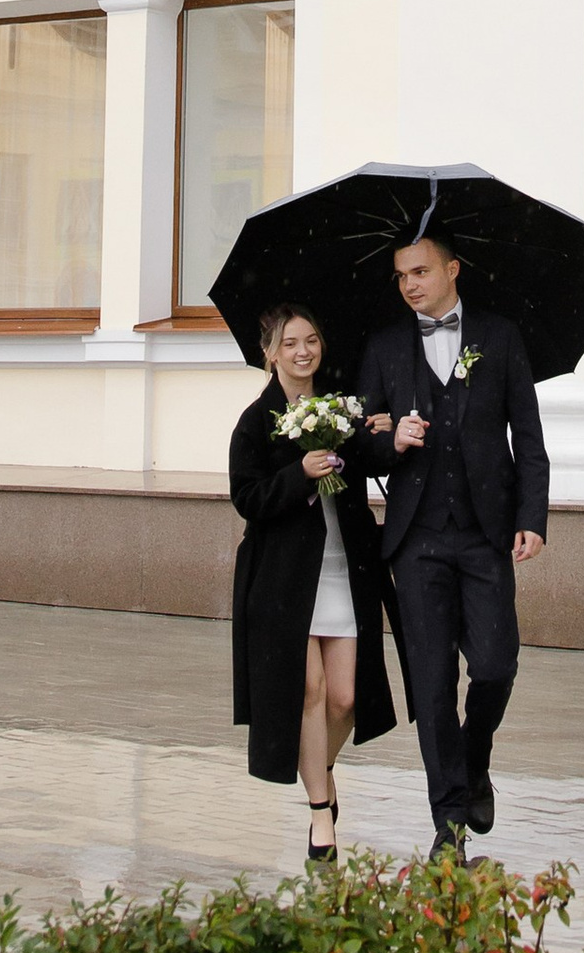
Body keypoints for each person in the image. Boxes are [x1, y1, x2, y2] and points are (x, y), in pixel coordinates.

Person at [357, 226, 548, 858]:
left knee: (495, 665)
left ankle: (477, 756)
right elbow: (358, 442)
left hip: (485, 533)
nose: (410, 285)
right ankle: (449, 828)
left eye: (421, 272)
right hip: (415, 541)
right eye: (402, 276)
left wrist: (532, 517)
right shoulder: (384, 348)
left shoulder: (499, 337)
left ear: (453, 270)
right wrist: (391, 442)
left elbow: (530, 438)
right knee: (433, 685)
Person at [227, 301, 401, 860]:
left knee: (346, 699)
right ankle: (320, 813)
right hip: (284, 582)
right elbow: (246, 498)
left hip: (342, 572)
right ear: (270, 352)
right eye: (291, 343)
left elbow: (371, 461)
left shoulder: (339, 410)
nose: (304, 352)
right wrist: (298, 475)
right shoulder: (256, 423)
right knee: (311, 692)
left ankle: (318, 768)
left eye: (312, 342)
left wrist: (383, 434)